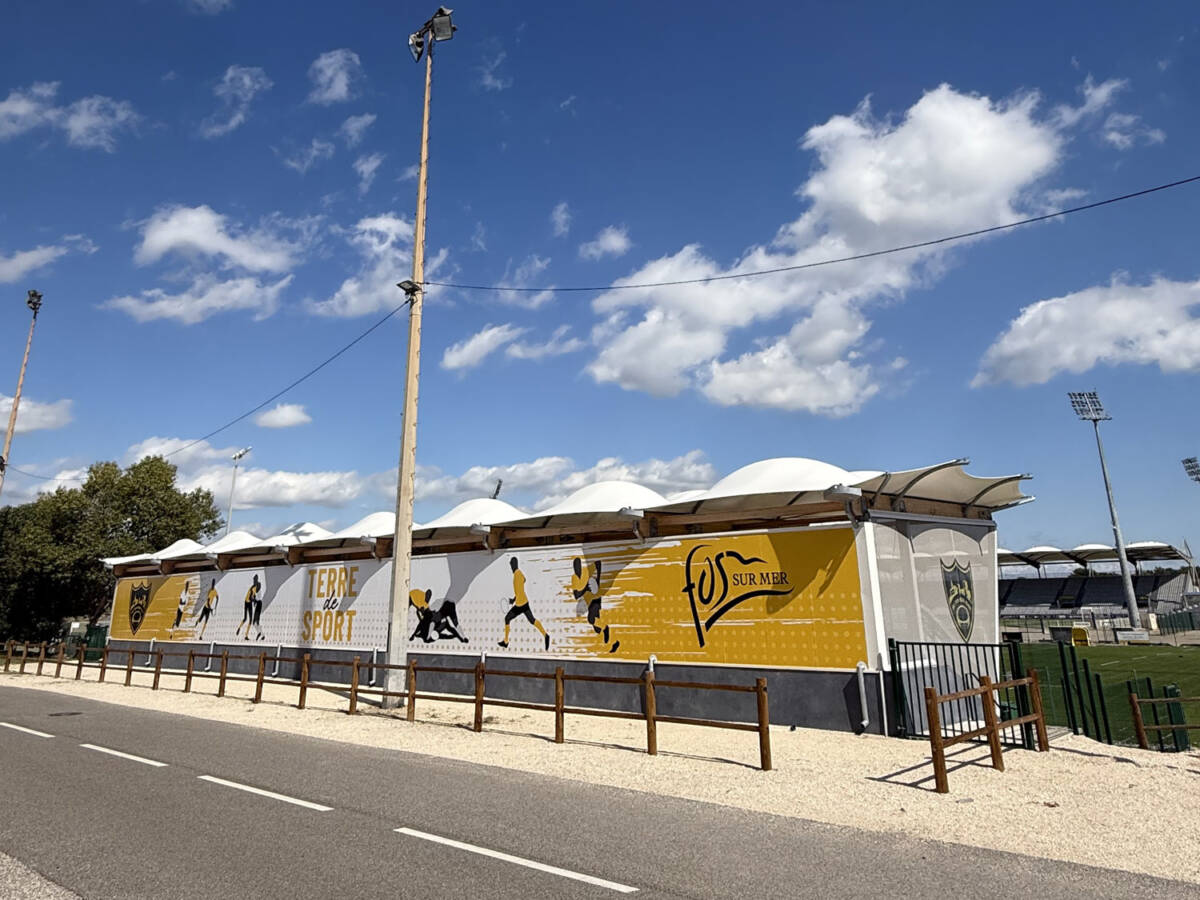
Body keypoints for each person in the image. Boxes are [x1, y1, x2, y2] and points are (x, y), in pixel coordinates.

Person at [499, 556, 549, 650]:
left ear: (514, 565)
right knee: (532, 620)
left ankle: (506, 641)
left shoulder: (517, 575)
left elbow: (519, 590)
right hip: (524, 602)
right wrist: (514, 599)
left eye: (511, 564)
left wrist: (514, 600)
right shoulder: (519, 573)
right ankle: (546, 635)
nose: (511, 566)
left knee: (507, 618)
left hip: (520, 605)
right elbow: (523, 582)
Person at [572, 557, 619, 653]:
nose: (577, 569)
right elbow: (576, 595)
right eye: (575, 567)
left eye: (578, 566)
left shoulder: (587, 571)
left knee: (591, 619)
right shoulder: (575, 578)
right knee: (597, 628)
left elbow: (598, 563)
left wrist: (597, 579)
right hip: (588, 601)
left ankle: (606, 629)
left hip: (595, 598)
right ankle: (613, 642)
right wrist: (585, 588)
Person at [237, 575, 261, 639]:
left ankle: (246, 635)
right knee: (245, 619)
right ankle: (240, 628)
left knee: (249, 620)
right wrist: (255, 601)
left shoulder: (254, 587)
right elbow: (250, 597)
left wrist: (254, 600)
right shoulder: (253, 588)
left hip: (248, 602)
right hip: (247, 603)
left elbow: (253, 595)